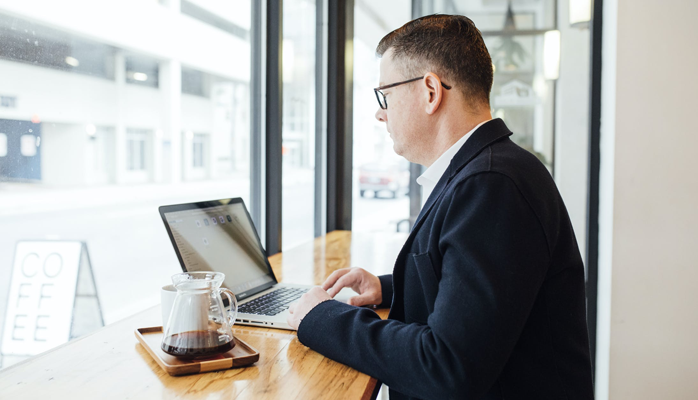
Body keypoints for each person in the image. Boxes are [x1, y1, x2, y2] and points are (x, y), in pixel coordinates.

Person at [287, 14, 594, 400]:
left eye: (387, 95)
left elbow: (446, 366)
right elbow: (482, 289)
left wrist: (323, 318)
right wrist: (385, 287)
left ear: (431, 91)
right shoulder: (487, 169)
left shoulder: (492, 185)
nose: (380, 113)